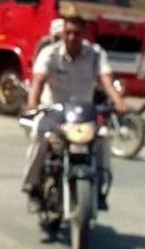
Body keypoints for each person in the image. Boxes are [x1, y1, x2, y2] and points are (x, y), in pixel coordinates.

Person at [22, 16, 126, 211]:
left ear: (84, 34)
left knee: (103, 138)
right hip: (53, 111)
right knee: (40, 136)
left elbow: (106, 80)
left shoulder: (95, 54)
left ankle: (100, 188)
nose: (72, 37)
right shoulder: (50, 53)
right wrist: (32, 105)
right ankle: (32, 186)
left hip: (83, 113)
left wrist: (118, 101)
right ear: (62, 34)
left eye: (77, 33)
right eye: (68, 33)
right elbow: (38, 81)